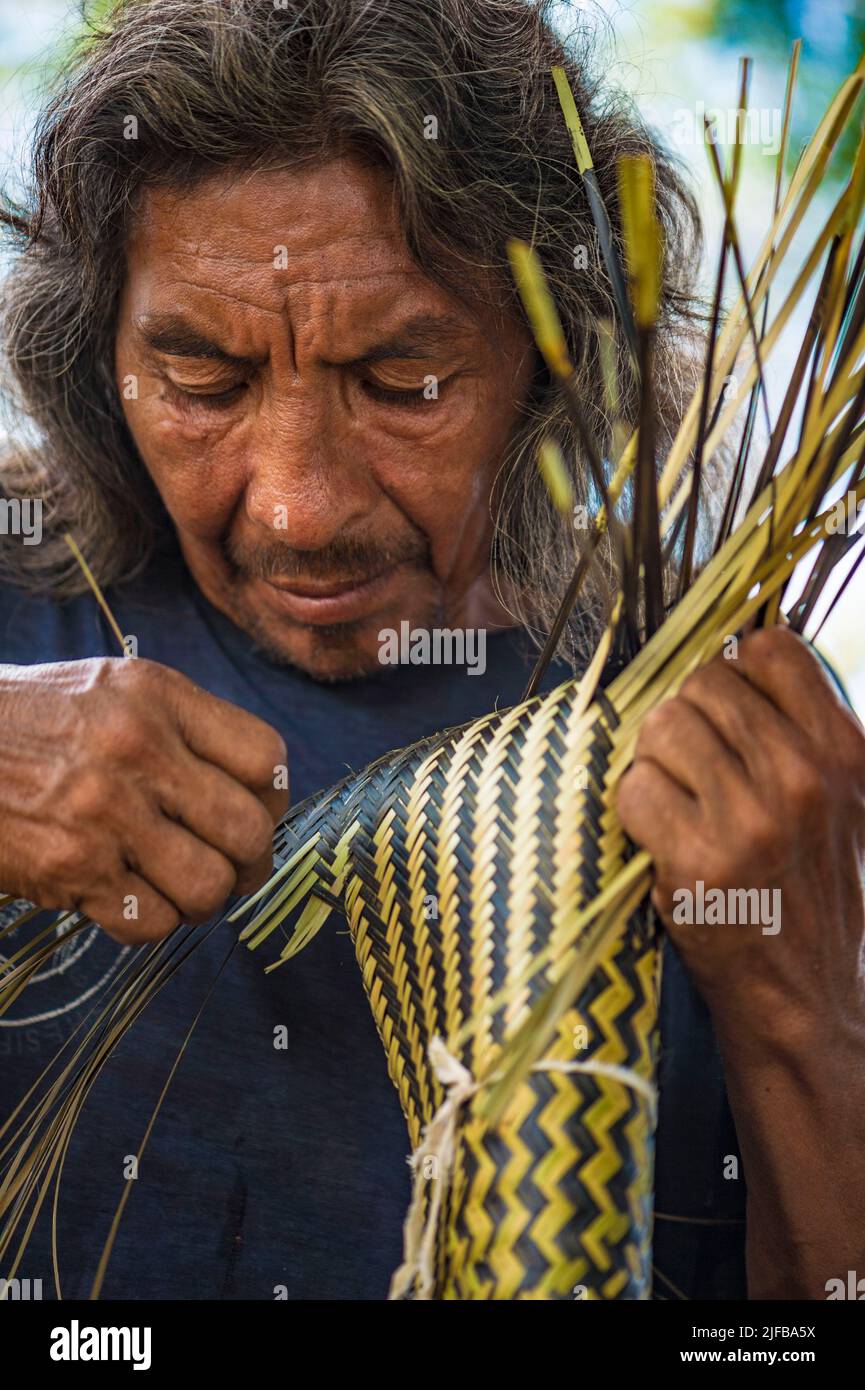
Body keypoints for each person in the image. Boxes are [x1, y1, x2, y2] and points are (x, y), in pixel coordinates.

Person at [1, 0, 863, 1301]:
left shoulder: (731, 726)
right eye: (203, 383)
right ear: (94, 358)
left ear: (553, 364)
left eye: (403, 384)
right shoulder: (20, 603)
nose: (297, 504)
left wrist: (798, 997)